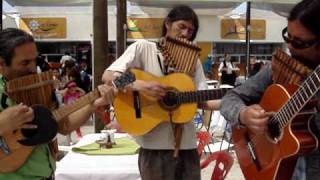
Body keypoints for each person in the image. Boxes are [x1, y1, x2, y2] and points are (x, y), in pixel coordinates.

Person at [102, 5, 220, 180]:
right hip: (153, 147)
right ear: (167, 24)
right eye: (182, 26)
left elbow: (203, 99)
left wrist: (235, 101)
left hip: (187, 146)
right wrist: (140, 85)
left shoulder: (192, 61)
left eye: (191, 30)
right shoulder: (143, 48)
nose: (186, 33)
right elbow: (108, 76)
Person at [220, 0, 320, 179]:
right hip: (273, 166)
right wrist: (243, 114)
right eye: (287, 36)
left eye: (299, 42)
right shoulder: (278, 67)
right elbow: (231, 97)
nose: (289, 46)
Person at [0, 28, 115, 180]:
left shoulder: (40, 89)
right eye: (25, 63)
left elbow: (64, 126)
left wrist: (92, 105)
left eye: (35, 60)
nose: (33, 68)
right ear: (2, 63)